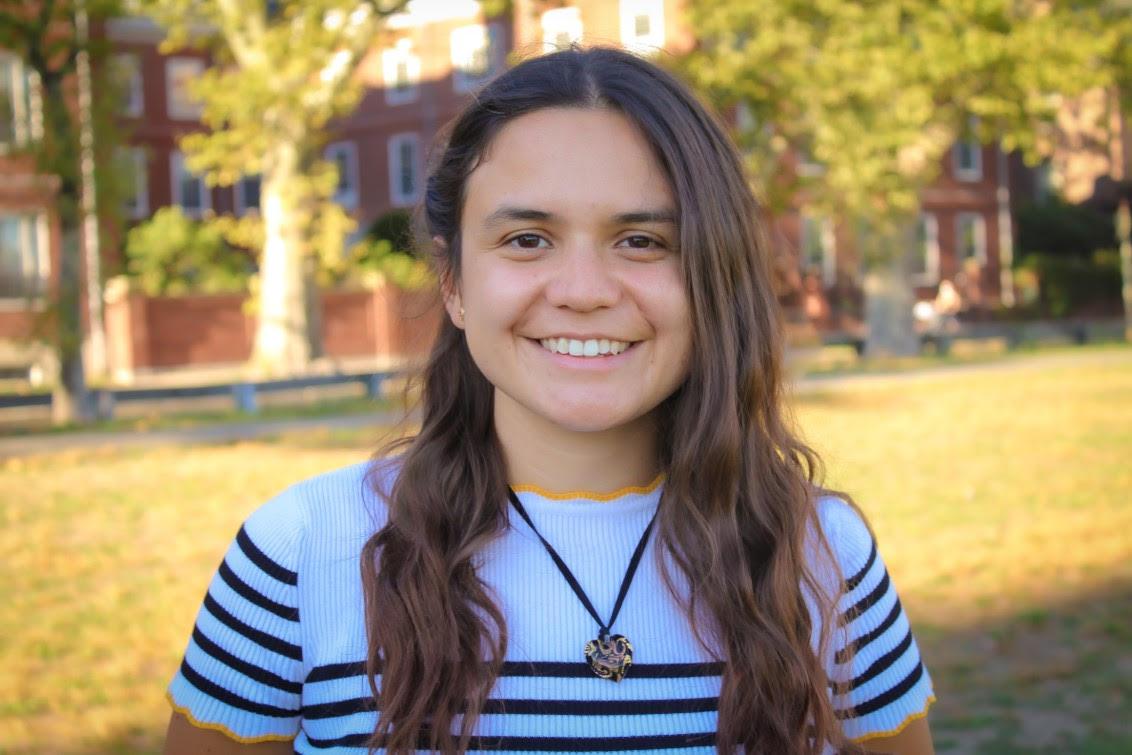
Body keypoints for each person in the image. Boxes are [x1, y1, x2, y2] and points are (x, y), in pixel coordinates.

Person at [162, 47, 936, 755]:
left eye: (642, 241)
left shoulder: (823, 555)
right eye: (527, 239)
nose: (584, 292)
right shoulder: (300, 552)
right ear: (454, 283)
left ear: (714, 276)